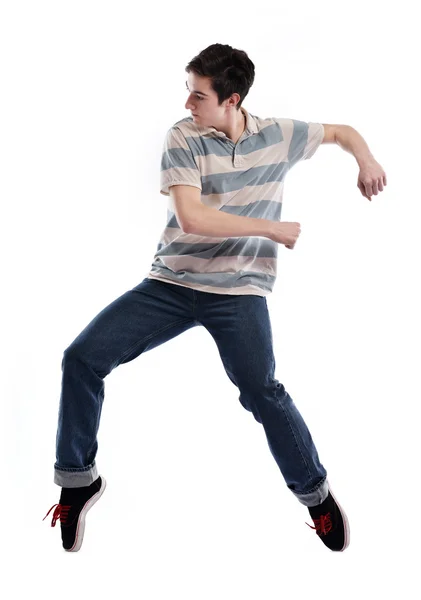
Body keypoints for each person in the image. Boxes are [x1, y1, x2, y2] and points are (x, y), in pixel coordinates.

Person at [43, 43, 387, 553]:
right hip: (172, 284)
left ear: (232, 99)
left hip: (238, 292)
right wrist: (270, 228)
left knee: (262, 392)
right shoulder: (183, 137)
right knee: (82, 358)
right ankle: (78, 481)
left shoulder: (277, 134)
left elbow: (340, 132)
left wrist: (367, 159)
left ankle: (316, 496)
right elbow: (193, 219)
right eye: (188, 91)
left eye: (198, 95)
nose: (187, 104)